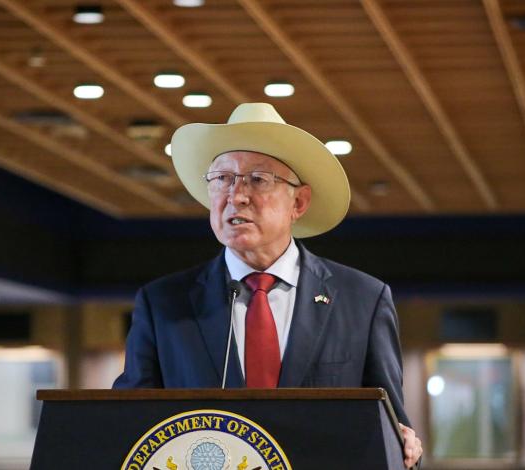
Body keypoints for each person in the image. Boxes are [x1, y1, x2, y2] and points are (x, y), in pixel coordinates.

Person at [113, 103, 423, 468]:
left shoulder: (363, 300)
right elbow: (128, 429)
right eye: (222, 179)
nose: (236, 195)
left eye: (257, 179)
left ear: (299, 202)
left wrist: (402, 444)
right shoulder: (163, 303)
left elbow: (396, 437)